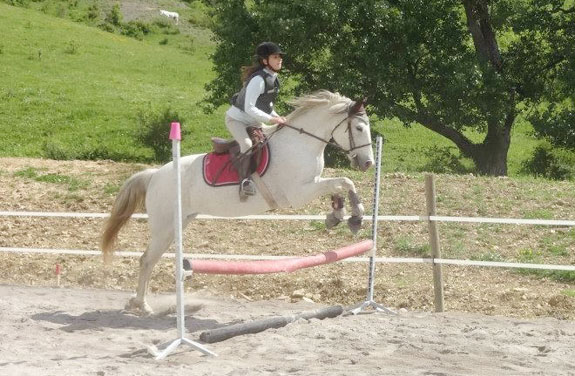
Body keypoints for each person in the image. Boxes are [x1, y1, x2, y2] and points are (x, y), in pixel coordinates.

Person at [226, 41, 287, 198]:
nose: (280, 59)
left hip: (253, 121)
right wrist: (271, 120)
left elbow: (266, 106)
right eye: (275, 57)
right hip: (237, 120)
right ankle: (244, 182)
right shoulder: (258, 80)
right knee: (247, 144)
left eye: (280, 56)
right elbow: (249, 108)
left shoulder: (273, 78)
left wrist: (277, 116)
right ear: (265, 60)